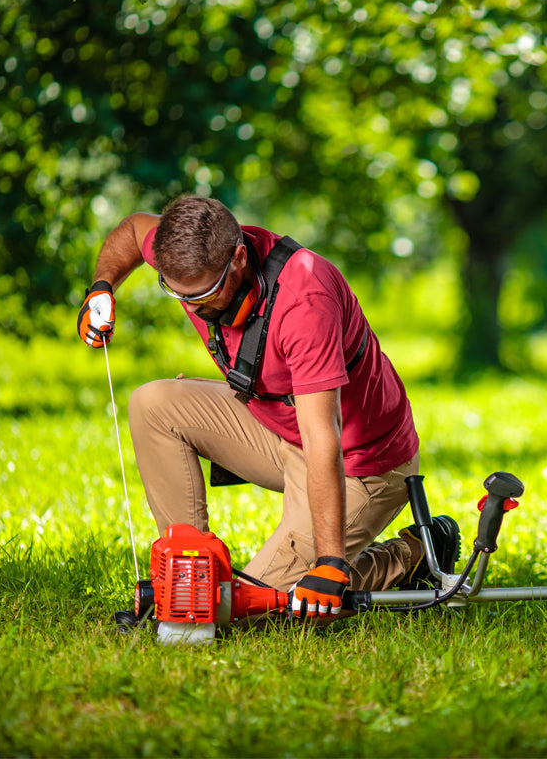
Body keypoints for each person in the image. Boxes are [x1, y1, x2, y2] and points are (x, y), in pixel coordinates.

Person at [78, 194, 458, 622]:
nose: (194, 307)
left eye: (204, 294)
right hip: (279, 427)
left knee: (249, 611)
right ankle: (187, 572)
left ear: (239, 258)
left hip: (357, 461)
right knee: (153, 404)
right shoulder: (188, 251)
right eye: (178, 293)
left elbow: (323, 437)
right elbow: (133, 230)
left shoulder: (305, 300)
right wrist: (102, 288)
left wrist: (330, 562)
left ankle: (410, 556)